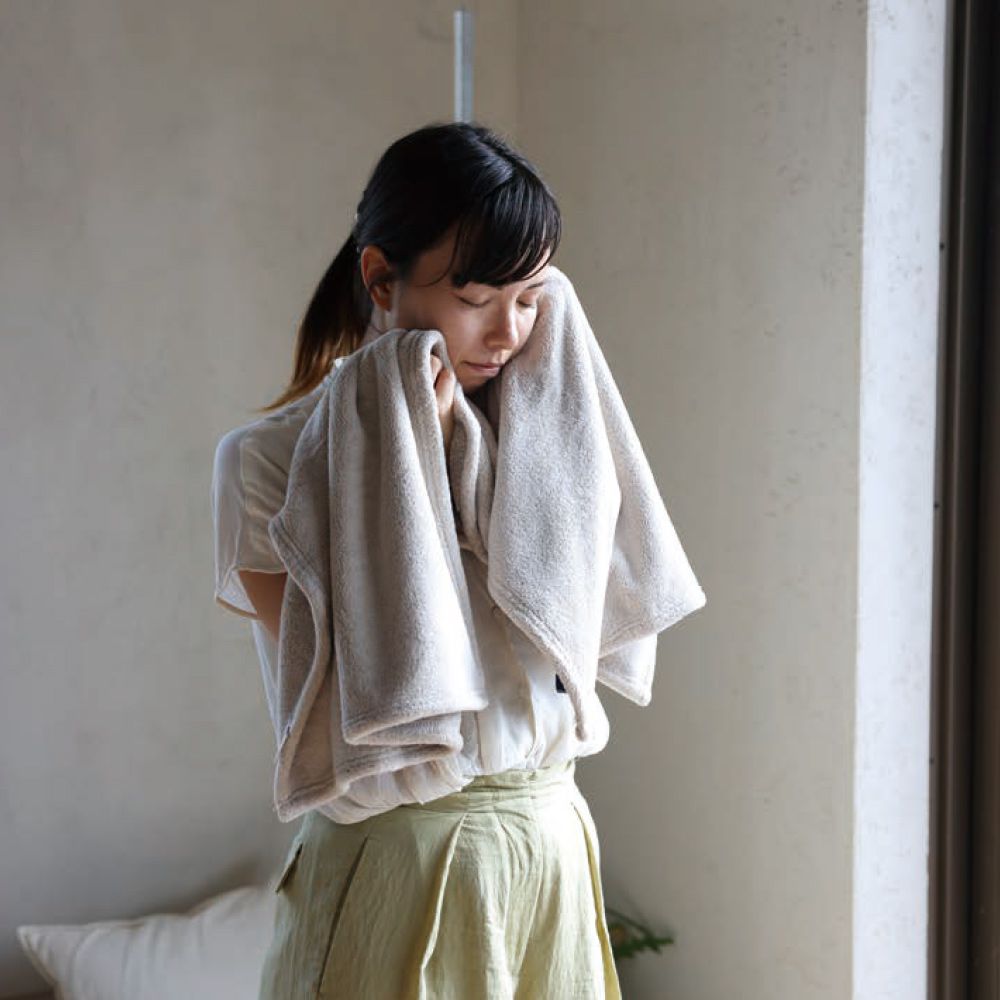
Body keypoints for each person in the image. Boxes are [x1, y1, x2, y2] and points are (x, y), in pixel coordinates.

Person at [211, 121, 622, 999]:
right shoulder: (267, 463)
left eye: (530, 297)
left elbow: (565, 639)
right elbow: (354, 689)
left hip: (551, 840)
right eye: (476, 296)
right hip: (398, 859)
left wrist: (473, 455)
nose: (508, 331)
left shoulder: (545, 442)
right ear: (379, 278)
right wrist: (422, 467)